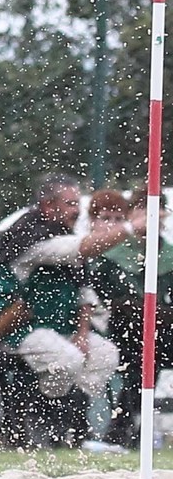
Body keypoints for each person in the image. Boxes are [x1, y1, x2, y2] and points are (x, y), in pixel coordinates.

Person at [0, 177, 137, 444]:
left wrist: (81, 333)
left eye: (76, 203)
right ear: (47, 206)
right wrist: (129, 227)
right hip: (22, 328)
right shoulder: (31, 237)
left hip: (62, 329)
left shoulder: (63, 233)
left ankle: (70, 420)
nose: (76, 210)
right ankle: (39, 416)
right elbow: (82, 248)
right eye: (69, 203)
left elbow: (83, 293)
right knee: (67, 360)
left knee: (105, 355)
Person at [89, 188, 173, 447]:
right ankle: (122, 428)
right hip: (121, 333)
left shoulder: (168, 255)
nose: (153, 218)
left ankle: (129, 427)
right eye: (145, 211)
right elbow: (107, 300)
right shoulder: (112, 255)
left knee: (155, 347)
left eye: (158, 211)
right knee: (137, 358)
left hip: (163, 334)